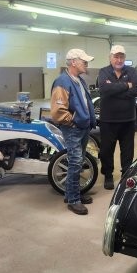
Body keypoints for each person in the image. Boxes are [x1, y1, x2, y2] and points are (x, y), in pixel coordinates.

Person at [51, 49, 96, 215]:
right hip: (73, 129)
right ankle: (73, 200)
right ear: (73, 62)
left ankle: (72, 193)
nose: (86, 63)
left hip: (82, 127)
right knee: (75, 162)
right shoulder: (62, 81)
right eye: (83, 61)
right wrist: (74, 122)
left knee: (78, 161)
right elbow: (58, 111)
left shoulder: (79, 80)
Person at [98, 44, 137, 190]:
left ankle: (126, 175)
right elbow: (104, 89)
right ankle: (108, 175)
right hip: (108, 120)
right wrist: (126, 86)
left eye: (121, 57)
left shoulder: (131, 71)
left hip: (127, 119)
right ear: (110, 58)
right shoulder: (103, 71)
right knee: (106, 150)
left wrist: (114, 90)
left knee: (128, 150)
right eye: (116, 57)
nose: (119, 60)